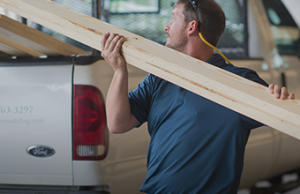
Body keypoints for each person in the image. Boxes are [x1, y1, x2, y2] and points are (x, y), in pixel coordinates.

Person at [101, 0, 295, 193]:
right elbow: (118, 124)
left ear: (191, 26)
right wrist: (119, 71)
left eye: (173, 18)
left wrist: (280, 99)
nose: (165, 27)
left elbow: (282, 113)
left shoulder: (239, 83)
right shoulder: (158, 78)